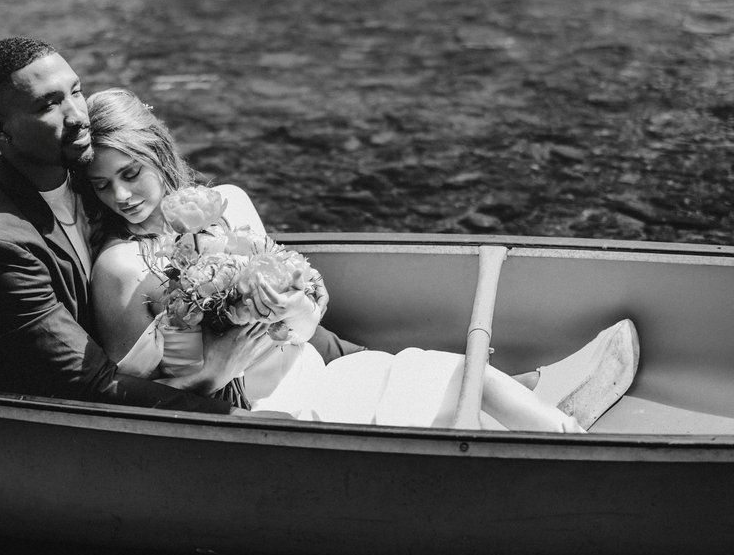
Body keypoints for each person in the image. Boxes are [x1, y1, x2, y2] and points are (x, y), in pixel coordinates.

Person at [81, 88, 640, 431]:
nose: (122, 196)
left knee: (452, 372)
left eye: (130, 173)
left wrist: (292, 311)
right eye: (102, 185)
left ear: (159, 153)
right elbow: (147, 400)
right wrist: (219, 368)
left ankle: (563, 436)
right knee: (445, 386)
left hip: (306, 367)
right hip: (249, 413)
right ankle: (554, 433)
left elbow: (301, 328)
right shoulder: (123, 270)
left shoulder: (230, 205)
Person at [0, 36, 278, 416]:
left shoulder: (84, 171)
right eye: (48, 105)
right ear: (0, 128)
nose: (77, 115)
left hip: (205, 382)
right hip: (74, 427)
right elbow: (92, 386)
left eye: (76, 91)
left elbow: (182, 342)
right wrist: (220, 386)